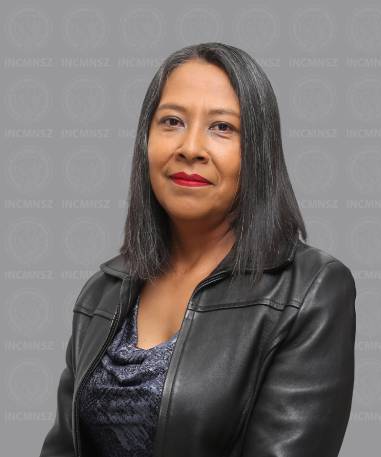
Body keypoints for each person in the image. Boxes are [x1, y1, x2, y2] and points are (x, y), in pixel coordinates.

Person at [39, 42, 357, 457]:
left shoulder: (311, 290)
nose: (190, 148)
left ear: (258, 152)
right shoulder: (104, 292)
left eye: (222, 127)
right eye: (171, 121)